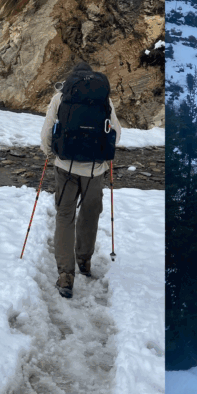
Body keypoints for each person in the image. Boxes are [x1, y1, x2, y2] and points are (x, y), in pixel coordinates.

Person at [40, 61, 121, 299]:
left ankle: (66, 274)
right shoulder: (104, 99)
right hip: (95, 170)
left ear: (72, 78)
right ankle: (84, 261)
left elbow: (46, 132)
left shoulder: (61, 96)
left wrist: (50, 153)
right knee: (89, 214)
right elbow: (116, 132)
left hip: (65, 166)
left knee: (65, 216)